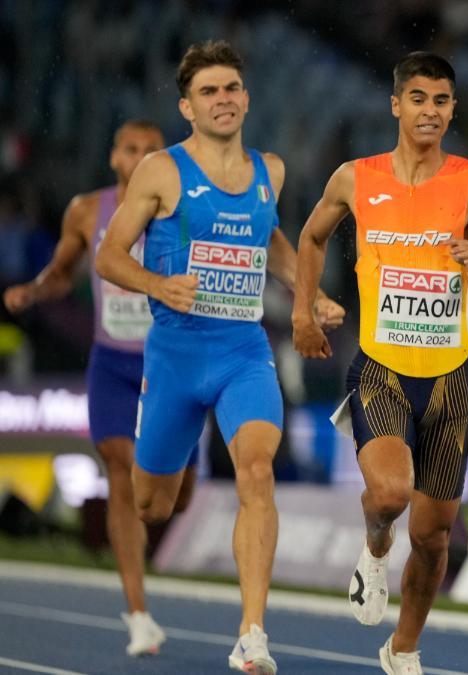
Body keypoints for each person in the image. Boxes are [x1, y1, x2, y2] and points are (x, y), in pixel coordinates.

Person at [95, 40, 344, 675]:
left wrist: (310, 296)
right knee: (154, 503)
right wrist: (157, 285)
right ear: (187, 106)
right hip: (175, 358)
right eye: (209, 91)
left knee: (256, 471)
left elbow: (272, 243)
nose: (223, 99)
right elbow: (110, 256)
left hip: (243, 352)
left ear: (247, 98)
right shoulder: (161, 171)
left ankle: (253, 635)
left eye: (232, 87)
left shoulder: (272, 171)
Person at [291, 52, 468, 675]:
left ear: (452, 109)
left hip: (449, 382)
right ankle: (373, 544)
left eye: (441, 101)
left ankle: (403, 649)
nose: (430, 112)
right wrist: (304, 311)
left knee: (436, 535)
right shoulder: (354, 178)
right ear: (396, 104)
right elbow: (310, 238)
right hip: (382, 370)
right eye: (418, 98)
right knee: (388, 495)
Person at [3, 120, 200, 657]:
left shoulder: (186, 210)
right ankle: (138, 613)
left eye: (150, 150)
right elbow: (63, 272)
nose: (139, 157)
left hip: (172, 366)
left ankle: (180, 473)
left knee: (176, 499)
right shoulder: (86, 212)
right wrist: (34, 290)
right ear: (114, 156)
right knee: (119, 465)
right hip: (112, 363)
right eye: (130, 149)